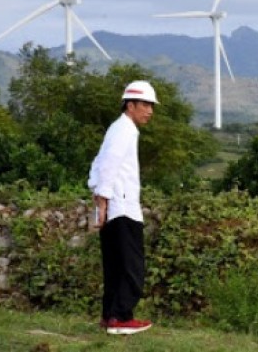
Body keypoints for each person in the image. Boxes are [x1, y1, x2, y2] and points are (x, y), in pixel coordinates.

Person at [88, 80, 159, 335]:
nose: (149, 110)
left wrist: (99, 195)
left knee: (115, 266)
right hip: (123, 207)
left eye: (151, 105)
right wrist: (104, 199)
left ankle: (110, 316)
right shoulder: (125, 130)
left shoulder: (118, 129)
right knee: (132, 267)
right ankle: (121, 318)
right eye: (145, 104)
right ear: (130, 105)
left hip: (115, 205)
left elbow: (98, 163)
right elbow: (108, 164)